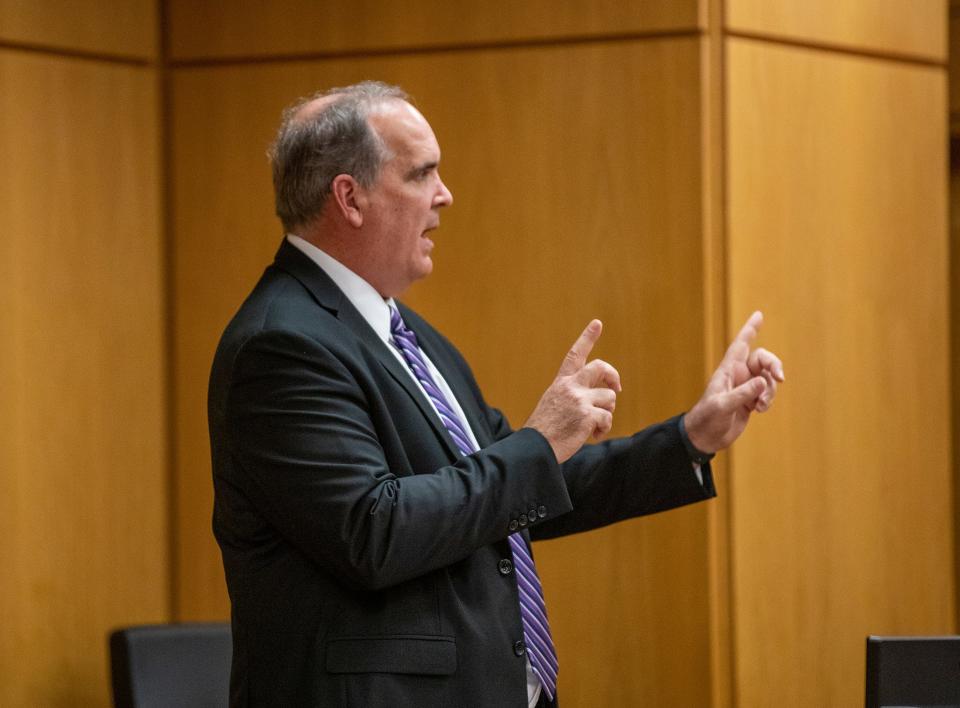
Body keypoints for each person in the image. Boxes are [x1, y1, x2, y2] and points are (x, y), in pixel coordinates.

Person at [208, 81, 784, 708]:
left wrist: (689, 439)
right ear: (350, 197)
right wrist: (539, 443)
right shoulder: (282, 345)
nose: (445, 195)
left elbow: (518, 487)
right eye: (423, 173)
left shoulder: (405, 333)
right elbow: (372, 530)